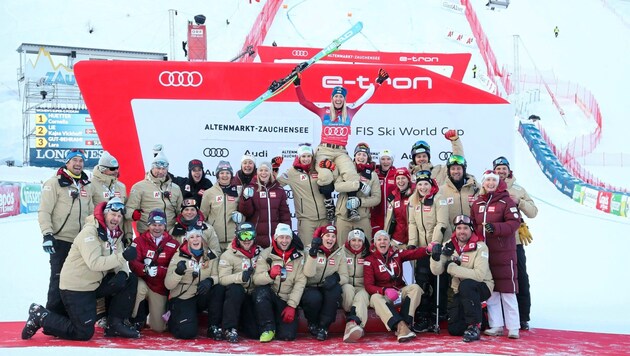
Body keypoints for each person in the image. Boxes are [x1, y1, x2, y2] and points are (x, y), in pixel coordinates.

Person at [22, 198, 139, 340]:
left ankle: (115, 324)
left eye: (119, 216)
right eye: (113, 214)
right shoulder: (90, 232)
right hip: (76, 287)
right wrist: (123, 257)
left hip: (94, 283)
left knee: (129, 279)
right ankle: (41, 315)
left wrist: (122, 272)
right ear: (105, 213)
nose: (116, 219)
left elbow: (119, 259)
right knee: (83, 332)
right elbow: (94, 263)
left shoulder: (115, 234)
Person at [293, 67, 389, 221]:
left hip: (341, 151)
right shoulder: (324, 111)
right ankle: (329, 202)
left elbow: (365, 97)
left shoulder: (350, 111)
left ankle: (352, 208)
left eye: (341, 97)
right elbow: (304, 102)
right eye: (336, 96)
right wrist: (297, 85)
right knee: (324, 176)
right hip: (324, 150)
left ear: (344, 99)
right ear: (332, 98)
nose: (338, 99)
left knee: (351, 175)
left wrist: (378, 82)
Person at [38, 148, 93, 316]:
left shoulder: (86, 184)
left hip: (81, 242)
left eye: (81, 161)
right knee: (58, 278)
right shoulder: (53, 183)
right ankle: (51, 317)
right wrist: (47, 234)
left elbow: (90, 213)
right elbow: (44, 211)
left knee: (76, 280)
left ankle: (70, 315)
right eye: (74, 160)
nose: (78, 164)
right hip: (61, 239)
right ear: (67, 162)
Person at [470, 170, 521, 339]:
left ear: (498, 182)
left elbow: (514, 223)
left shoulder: (506, 201)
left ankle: (513, 327)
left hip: (504, 252)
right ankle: (496, 325)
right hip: (484, 253)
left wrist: (496, 228)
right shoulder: (477, 203)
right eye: (487, 180)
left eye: (493, 180)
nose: (490, 183)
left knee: (507, 290)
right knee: (491, 289)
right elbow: (472, 225)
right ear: (483, 183)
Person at [429, 214, 493, 342]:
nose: (462, 231)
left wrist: (452, 268)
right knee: (455, 329)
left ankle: (475, 326)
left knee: (467, 285)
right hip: (460, 290)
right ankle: (482, 316)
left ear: (471, 230)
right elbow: (437, 271)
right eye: (459, 228)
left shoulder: (480, 247)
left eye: (465, 228)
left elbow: (479, 275)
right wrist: (435, 258)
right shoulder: (450, 245)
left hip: (482, 286)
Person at [493, 156, 538, 330]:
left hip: (515, 242)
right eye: (498, 169)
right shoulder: (488, 186)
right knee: (496, 280)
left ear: (509, 170)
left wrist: (519, 202)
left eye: (504, 168)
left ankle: (523, 316)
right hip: (493, 241)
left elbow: (533, 211)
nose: (501, 171)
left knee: (519, 278)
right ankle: (496, 317)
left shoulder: (518, 189)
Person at [363, 230, 430, 343]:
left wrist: (428, 250)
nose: (382, 242)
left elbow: (413, 253)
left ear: (389, 242)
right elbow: (368, 286)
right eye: (379, 240)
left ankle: (406, 323)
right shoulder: (370, 260)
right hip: (384, 296)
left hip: (399, 291)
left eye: (385, 239)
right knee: (374, 298)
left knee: (415, 288)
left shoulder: (396, 254)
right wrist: (384, 290)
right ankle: (400, 326)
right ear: (374, 243)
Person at [407, 169, 450, 331]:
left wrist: (436, 243)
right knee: (422, 281)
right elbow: (412, 223)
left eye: (426, 184)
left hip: (439, 246)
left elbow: (442, 223)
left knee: (439, 281)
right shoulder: (414, 200)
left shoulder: (439, 199)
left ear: (431, 184)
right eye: (420, 184)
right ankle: (423, 315)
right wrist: (412, 243)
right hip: (423, 249)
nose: (423, 187)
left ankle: (437, 314)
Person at [164, 228, 225, 340]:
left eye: (198, 236)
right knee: (187, 333)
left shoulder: (210, 255)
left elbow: (218, 276)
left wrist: (210, 280)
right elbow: (168, 285)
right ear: (187, 240)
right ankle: (175, 320)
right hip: (184, 297)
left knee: (219, 289)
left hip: (202, 294)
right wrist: (178, 272)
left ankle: (213, 326)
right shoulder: (178, 256)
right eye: (192, 237)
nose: (195, 239)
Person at [252, 223, 306, 342]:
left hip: (286, 300)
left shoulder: (299, 256)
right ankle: (268, 328)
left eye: (287, 237)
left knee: (287, 336)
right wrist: (270, 275)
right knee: (260, 292)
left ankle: (278, 324)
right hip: (270, 296)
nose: (284, 241)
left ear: (291, 238)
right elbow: (256, 279)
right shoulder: (266, 254)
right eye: (281, 237)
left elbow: (300, 283)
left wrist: (292, 305)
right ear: (275, 238)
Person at [128, 209, 180, 333]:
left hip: (159, 287)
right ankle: (135, 319)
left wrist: (159, 271)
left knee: (159, 328)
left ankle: (151, 315)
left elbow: (175, 267)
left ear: (165, 226)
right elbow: (133, 263)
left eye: (160, 225)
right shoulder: (139, 241)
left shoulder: (173, 244)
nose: (157, 228)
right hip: (144, 281)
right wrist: (145, 269)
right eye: (154, 225)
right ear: (148, 225)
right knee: (137, 287)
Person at [301, 225, 349, 341]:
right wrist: (313, 256)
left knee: (335, 290)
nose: (330, 239)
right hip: (311, 286)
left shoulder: (339, 252)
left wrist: (336, 277)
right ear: (321, 237)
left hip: (327, 286)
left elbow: (345, 276)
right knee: (314, 298)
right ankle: (312, 322)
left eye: (333, 236)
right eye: (327, 235)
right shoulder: (309, 250)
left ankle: (324, 327)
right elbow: (308, 273)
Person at [218, 222, 263, 343]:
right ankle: (230, 328)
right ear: (237, 237)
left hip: (251, 295)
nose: (247, 239)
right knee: (235, 289)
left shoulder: (260, 253)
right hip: (237, 295)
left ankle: (243, 322)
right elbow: (222, 279)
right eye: (243, 236)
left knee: (254, 333)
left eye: (250, 235)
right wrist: (240, 277)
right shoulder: (228, 254)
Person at [277, 143, 328, 244]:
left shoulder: (318, 169)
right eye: (303, 156)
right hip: (306, 220)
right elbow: (276, 184)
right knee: (307, 250)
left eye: (309, 156)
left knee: (325, 250)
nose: (306, 159)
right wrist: (274, 170)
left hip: (324, 218)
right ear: (298, 157)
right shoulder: (292, 172)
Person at [126, 151, 183, 234]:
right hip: (147, 233)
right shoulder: (139, 187)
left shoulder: (175, 188)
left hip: (169, 233)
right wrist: (133, 214)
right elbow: (128, 209)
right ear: (152, 168)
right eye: (158, 168)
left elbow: (180, 210)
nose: (161, 171)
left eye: (163, 169)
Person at [335, 143, 381, 244]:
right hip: (343, 217)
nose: (361, 157)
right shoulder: (345, 170)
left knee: (365, 252)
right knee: (341, 250)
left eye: (364, 155)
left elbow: (376, 198)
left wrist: (360, 202)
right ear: (355, 156)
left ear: (368, 157)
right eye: (359, 154)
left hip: (362, 218)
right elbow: (337, 186)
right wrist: (357, 185)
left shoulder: (372, 175)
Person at [239, 161, 291, 249]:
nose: (263, 173)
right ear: (257, 172)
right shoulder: (251, 188)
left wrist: (285, 233)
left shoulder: (279, 189)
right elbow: (246, 213)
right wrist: (245, 199)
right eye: (261, 170)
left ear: (270, 172)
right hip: (256, 239)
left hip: (275, 239)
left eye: (266, 170)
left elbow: (285, 215)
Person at [200, 160, 242, 251]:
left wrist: (240, 217)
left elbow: (244, 212)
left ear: (231, 175)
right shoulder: (209, 193)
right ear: (217, 175)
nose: (225, 175)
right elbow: (203, 216)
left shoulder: (238, 192)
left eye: (227, 173)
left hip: (233, 239)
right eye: (222, 173)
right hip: (215, 239)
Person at [91, 151, 132, 242]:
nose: (116, 171)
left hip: (118, 235)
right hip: (98, 234)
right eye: (112, 169)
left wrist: (128, 235)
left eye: (117, 168)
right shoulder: (91, 185)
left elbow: (124, 213)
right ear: (102, 169)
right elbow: (87, 211)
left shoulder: (121, 186)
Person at [341, 228, 370, 343]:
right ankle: (351, 317)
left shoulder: (367, 253)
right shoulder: (341, 252)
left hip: (361, 286)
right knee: (347, 289)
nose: (356, 243)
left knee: (362, 296)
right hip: (346, 284)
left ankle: (355, 324)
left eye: (359, 241)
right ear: (349, 241)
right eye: (353, 240)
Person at [439, 154, 480, 235]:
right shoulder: (441, 191)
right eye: (453, 169)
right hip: (450, 237)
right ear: (449, 171)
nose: (456, 171)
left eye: (459, 168)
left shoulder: (476, 188)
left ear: (463, 170)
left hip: (472, 236)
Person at [384, 167, 413, 247]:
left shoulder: (415, 194)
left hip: (413, 241)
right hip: (397, 240)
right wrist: (386, 237)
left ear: (408, 179)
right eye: (398, 178)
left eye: (403, 178)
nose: (400, 181)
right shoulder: (393, 196)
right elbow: (389, 220)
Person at [372, 149, 397, 235]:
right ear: (379, 160)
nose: (385, 162)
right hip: (376, 215)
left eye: (388, 159)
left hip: (392, 215)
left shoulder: (397, 174)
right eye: (383, 159)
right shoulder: (374, 174)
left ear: (392, 160)